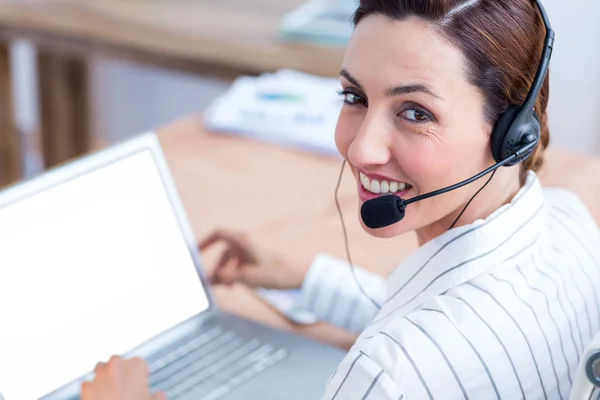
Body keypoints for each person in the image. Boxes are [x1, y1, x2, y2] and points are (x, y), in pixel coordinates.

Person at [81, 0, 600, 399]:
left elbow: (418, 353)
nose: (360, 147)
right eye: (355, 97)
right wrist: (308, 279)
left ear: (512, 135)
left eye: (415, 112)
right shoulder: (569, 222)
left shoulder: (389, 373)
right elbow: (459, 323)